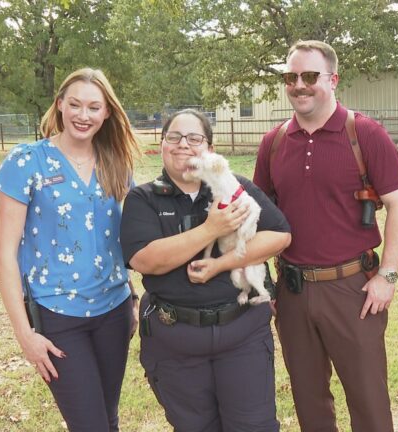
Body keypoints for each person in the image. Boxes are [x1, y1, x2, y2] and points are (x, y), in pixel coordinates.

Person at [253, 40, 398, 432]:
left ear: (333, 79)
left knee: (368, 400)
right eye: (291, 77)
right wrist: (264, 287)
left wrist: (387, 276)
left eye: (310, 76)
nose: (299, 85)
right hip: (292, 291)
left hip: (353, 290)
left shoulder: (365, 133)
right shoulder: (273, 143)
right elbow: (256, 221)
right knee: (309, 401)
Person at [120, 109, 291, 431]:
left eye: (194, 138)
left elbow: (279, 235)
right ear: (162, 144)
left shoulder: (232, 187)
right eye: (174, 137)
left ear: (208, 148)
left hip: (243, 333)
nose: (183, 144)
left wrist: (221, 264)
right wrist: (212, 228)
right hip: (175, 338)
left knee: (254, 426)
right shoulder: (143, 198)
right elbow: (145, 259)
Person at [0, 68, 140, 431]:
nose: (82, 115)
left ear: (107, 113)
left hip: (114, 312)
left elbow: (122, 240)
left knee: (107, 418)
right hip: (59, 316)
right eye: (74, 104)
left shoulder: (116, 163)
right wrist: (25, 334)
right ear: (59, 105)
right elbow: (4, 253)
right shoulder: (28, 161)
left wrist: (132, 298)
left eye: (93, 107)